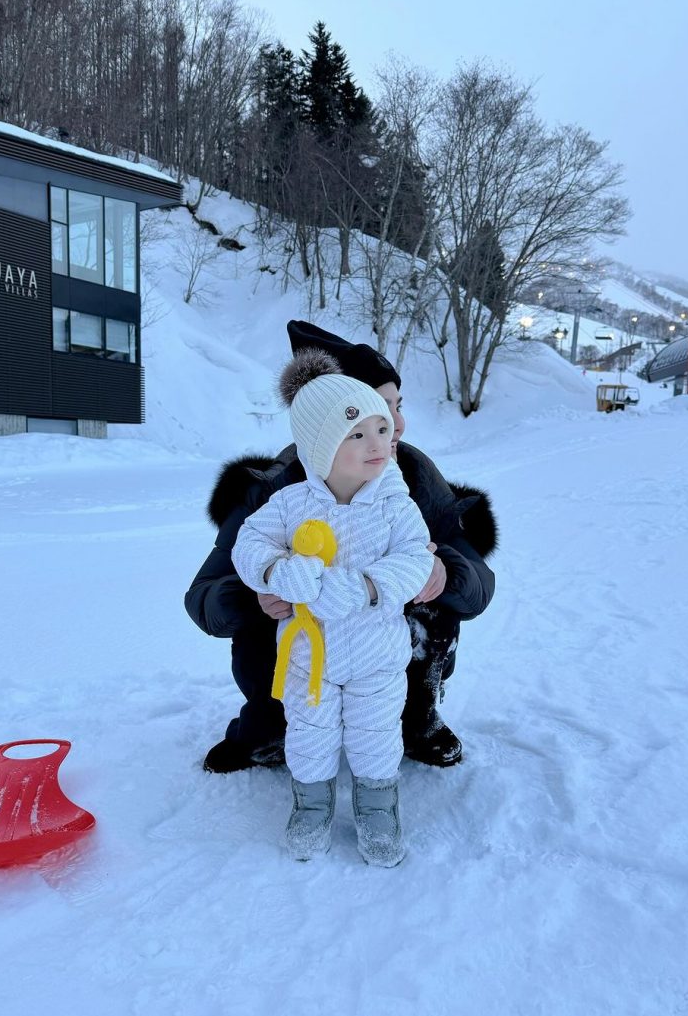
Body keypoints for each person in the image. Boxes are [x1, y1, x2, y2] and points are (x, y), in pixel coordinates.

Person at [184, 320, 498, 774]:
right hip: (301, 661)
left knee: (430, 601)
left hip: (380, 653)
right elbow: (204, 597)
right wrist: (258, 592)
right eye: (379, 412)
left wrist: (446, 571)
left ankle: (415, 720)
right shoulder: (277, 488)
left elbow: (478, 588)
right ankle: (271, 724)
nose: (396, 428)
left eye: (395, 410)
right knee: (274, 609)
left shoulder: (413, 474)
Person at [232, 349, 434, 865]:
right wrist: (278, 571)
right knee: (309, 735)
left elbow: (415, 558)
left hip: (377, 656)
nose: (379, 445)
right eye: (357, 434)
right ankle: (311, 806)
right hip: (307, 656)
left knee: (375, 736)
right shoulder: (290, 503)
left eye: (382, 429)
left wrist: (368, 587)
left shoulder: (396, 504)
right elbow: (249, 543)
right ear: (320, 447)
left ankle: (377, 810)